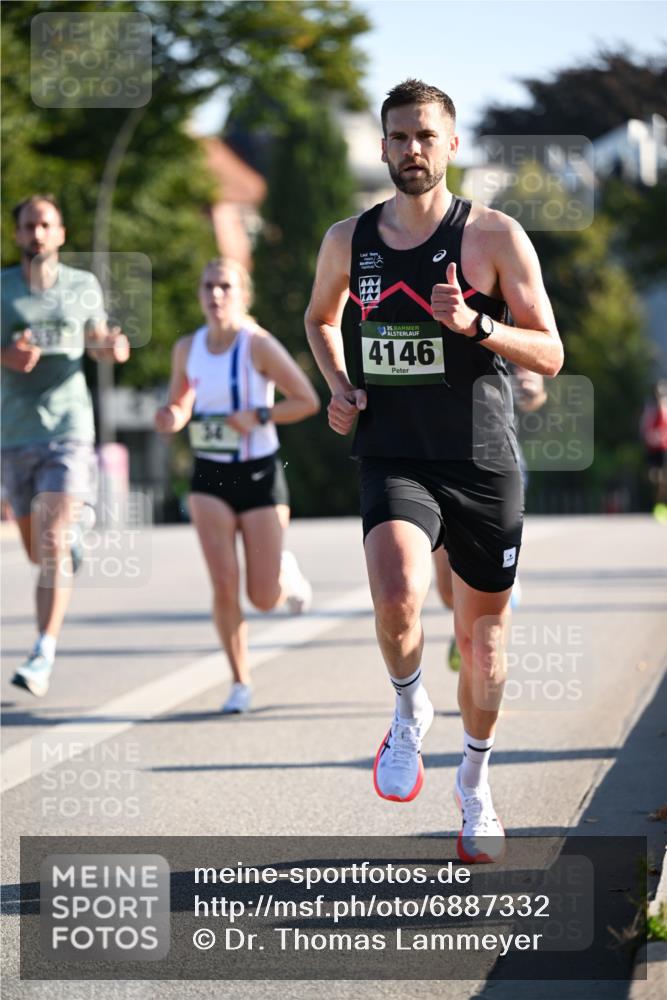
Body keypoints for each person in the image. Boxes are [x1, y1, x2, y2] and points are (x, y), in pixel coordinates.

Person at [305, 80, 562, 863]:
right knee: (395, 596)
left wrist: (476, 324)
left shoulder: (493, 237)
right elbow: (321, 316)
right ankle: (407, 709)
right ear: (381, 146)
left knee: (483, 648)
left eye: (424, 135)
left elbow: (549, 350)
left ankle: (475, 787)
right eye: (397, 136)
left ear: (451, 145)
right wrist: (339, 384)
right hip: (394, 452)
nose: (410, 150)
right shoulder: (349, 238)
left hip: (482, 462)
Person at [155, 257, 320, 714]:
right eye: (208, 286)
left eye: (225, 286)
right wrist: (174, 415)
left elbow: (305, 400)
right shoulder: (187, 348)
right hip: (209, 476)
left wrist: (259, 415)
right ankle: (240, 681)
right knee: (224, 583)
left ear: (241, 294)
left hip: (259, 474)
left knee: (262, 598)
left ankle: (283, 573)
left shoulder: (258, 346)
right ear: (199, 294)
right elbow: (181, 398)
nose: (216, 294)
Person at [1, 194, 130, 698]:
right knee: (41, 551)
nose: (36, 234)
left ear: (60, 234)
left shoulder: (82, 287)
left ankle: (42, 651)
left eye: (45, 225)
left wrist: (111, 346)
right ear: (16, 235)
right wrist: (6, 355)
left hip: (70, 429)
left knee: (52, 545)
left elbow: (97, 337)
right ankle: (70, 537)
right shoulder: (4, 289)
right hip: (14, 433)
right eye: (28, 226)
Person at [434, 366, 548, 671]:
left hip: (493, 461)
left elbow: (533, 387)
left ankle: (481, 659)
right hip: (428, 459)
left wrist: (531, 389)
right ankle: (473, 624)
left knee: (483, 583)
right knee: (447, 589)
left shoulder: (495, 318)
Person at [640, 380, 667, 523]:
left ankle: (660, 506)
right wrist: (649, 435)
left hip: (663, 448)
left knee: (662, 479)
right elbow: (644, 426)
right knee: (652, 477)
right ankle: (655, 500)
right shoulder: (649, 408)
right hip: (651, 448)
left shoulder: (665, 407)